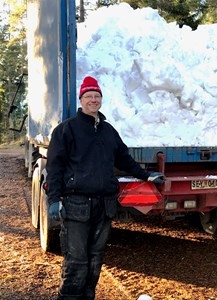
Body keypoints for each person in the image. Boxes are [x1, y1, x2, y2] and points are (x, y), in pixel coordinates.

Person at [46, 75, 165, 300]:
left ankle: (88, 296)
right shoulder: (66, 130)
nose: (93, 100)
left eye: (97, 96)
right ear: (81, 100)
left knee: (95, 258)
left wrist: (147, 175)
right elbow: (55, 167)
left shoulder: (108, 131)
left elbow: (124, 159)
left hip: (104, 205)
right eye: (88, 96)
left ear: (101, 100)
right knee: (76, 260)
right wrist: (54, 199)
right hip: (77, 205)